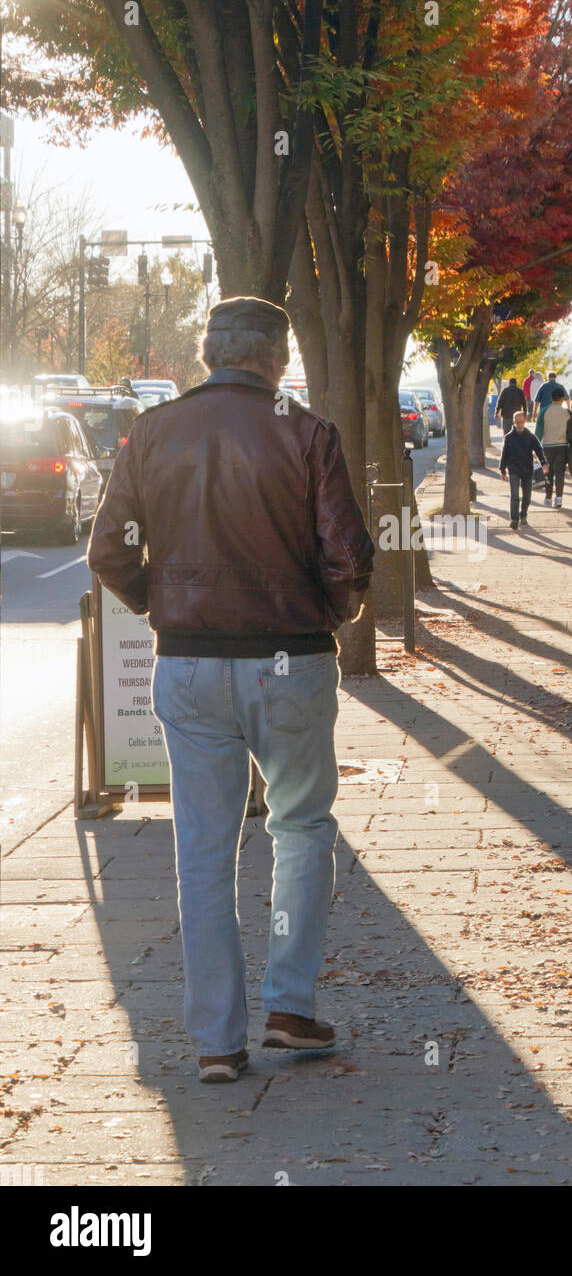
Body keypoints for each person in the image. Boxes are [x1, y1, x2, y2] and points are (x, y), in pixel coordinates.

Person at [88, 296, 375, 1084]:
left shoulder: (153, 430)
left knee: (203, 849)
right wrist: (327, 615)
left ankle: (217, 1041)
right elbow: (348, 557)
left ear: (209, 353)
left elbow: (108, 549)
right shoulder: (307, 432)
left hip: (188, 662)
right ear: (278, 359)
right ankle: (289, 1004)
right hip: (288, 656)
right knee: (302, 826)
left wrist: (163, 604)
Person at [499, 409, 548, 528]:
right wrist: (502, 470)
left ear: (525, 422)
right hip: (514, 469)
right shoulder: (509, 438)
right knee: (515, 495)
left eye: (522, 422)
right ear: (514, 423)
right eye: (518, 423)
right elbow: (504, 454)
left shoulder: (530, 437)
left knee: (527, 496)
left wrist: (544, 463)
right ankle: (514, 519)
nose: (520, 425)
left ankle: (523, 515)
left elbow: (539, 450)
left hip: (527, 469)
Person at [539, 385, 571, 508]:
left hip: (547, 446)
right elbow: (571, 431)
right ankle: (559, 498)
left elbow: (538, 431)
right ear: (562, 398)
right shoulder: (567, 412)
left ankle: (548, 497)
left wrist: (535, 449)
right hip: (562, 446)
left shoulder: (544, 411)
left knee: (548, 473)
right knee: (560, 474)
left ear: (551, 398)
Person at [533, 371, 561, 439]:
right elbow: (567, 399)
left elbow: (537, 400)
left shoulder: (543, 386)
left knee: (541, 429)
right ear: (555, 377)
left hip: (544, 412)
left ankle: (540, 444)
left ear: (548, 378)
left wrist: (534, 412)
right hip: (556, 412)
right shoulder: (559, 386)